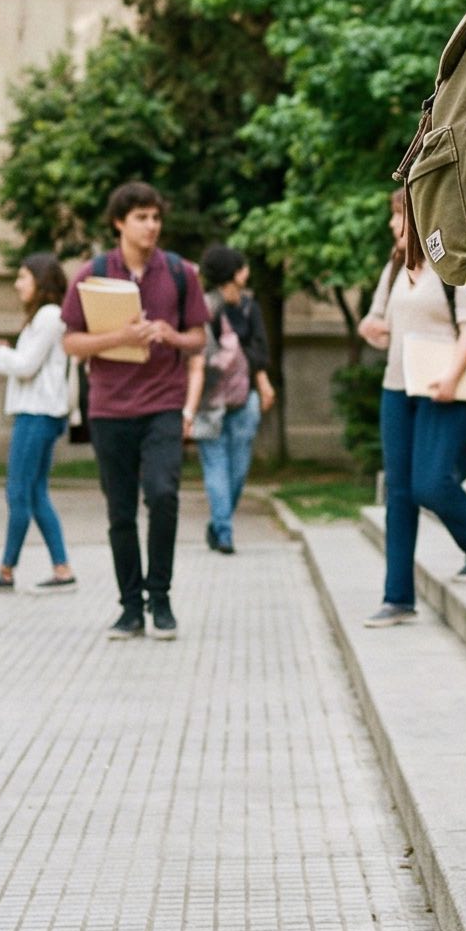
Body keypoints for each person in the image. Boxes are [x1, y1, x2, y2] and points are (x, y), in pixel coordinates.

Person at [59, 182, 207, 640]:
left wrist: (171, 335)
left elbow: (199, 337)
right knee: (120, 510)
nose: (151, 226)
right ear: (119, 222)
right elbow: (70, 341)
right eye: (141, 217)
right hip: (109, 407)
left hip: (163, 402)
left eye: (155, 217)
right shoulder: (94, 272)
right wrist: (117, 339)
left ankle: (159, 599)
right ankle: (130, 608)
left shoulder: (180, 272)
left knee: (163, 495)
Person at [353, 190, 466, 628]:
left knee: (430, 484)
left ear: (417, 218)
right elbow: (377, 321)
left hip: (445, 386)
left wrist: (452, 377)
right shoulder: (397, 265)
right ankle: (397, 598)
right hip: (397, 387)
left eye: (397, 217)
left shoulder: (454, 260)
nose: (392, 226)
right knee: (398, 492)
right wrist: (371, 328)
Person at [0, 253, 77, 592]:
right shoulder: (45, 317)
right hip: (40, 413)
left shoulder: (49, 315)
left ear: (40, 282)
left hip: (37, 415)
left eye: (23, 277)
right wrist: (6, 349)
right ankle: (62, 569)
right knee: (35, 492)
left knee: (18, 492)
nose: (17, 284)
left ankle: (6, 570)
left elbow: (26, 366)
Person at [193, 245, 273, 554]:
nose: (247, 272)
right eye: (243, 267)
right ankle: (224, 533)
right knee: (216, 468)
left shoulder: (249, 307)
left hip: (244, 400)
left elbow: (259, 352)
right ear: (233, 272)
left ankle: (218, 523)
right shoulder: (204, 309)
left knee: (237, 472)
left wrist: (263, 384)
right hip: (209, 403)